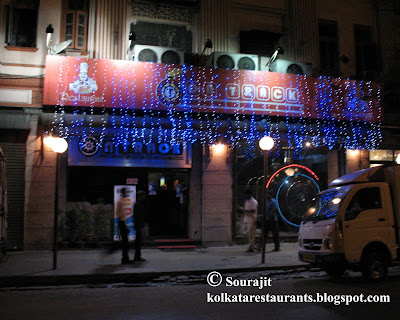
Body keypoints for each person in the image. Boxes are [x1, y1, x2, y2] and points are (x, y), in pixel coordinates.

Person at [116, 187, 132, 264]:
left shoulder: (120, 201)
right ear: (123, 193)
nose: (127, 194)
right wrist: (125, 226)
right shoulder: (121, 201)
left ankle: (125, 258)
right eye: (126, 192)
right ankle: (125, 258)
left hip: (121, 222)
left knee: (125, 241)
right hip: (122, 222)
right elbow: (121, 216)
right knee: (125, 242)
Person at [133, 191, 147, 262]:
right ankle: (137, 256)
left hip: (138, 225)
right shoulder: (138, 204)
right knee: (138, 242)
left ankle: (137, 256)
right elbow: (138, 216)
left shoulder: (138, 204)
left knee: (138, 241)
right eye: (142, 196)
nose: (143, 197)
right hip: (138, 225)